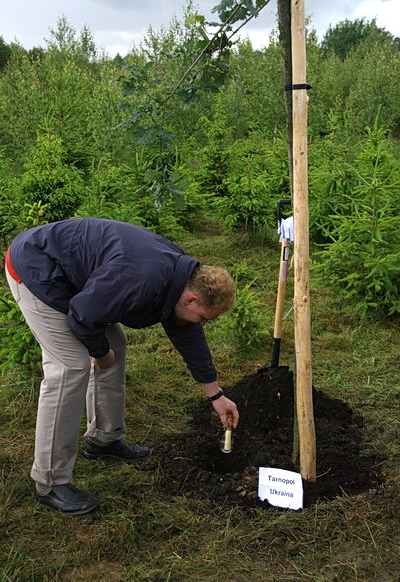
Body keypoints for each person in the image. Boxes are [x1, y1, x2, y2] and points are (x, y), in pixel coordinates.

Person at [5, 217, 239, 515]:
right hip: (37, 268)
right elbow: (83, 316)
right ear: (193, 298)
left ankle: (104, 439)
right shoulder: (143, 279)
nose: (204, 324)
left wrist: (215, 395)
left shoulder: (179, 278)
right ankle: (50, 480)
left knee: (116, 343)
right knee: (70, 367)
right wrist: (99, 354)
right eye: (206, 317)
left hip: (73, 274)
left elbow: (187, 333)